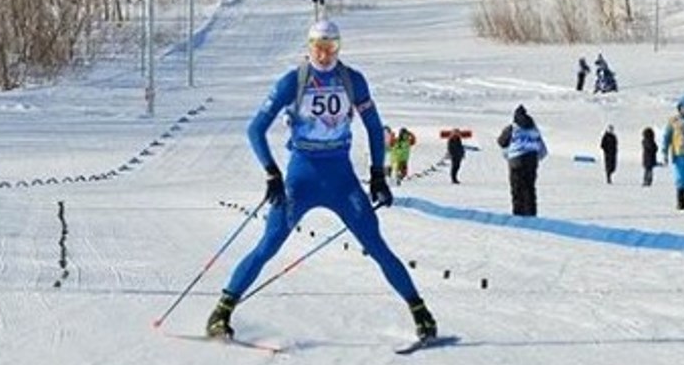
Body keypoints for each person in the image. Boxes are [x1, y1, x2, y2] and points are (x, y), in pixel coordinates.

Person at [205, 19, 438, 342]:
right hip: (302, 178)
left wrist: (377, 175)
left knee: (376, 244)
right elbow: (254, 129)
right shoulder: (292, 81)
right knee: (269, 243)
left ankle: (421, 314)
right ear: (309, 47)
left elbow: (374, 127)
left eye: (331, 49)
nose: (325, 55)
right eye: (319, 48)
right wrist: (271, 172)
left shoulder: (352, 80)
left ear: (339, 48)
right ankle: (220, 313)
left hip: (341, 179)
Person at [496, 104, 548, 216]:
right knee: (530, 187)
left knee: (517, 188)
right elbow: (543, 148)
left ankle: (518, 213)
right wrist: (536, 159)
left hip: (516, 160)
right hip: (532, 160)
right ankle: (531, 213)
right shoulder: (534, 129)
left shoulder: (512, 128)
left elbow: (501, 142)